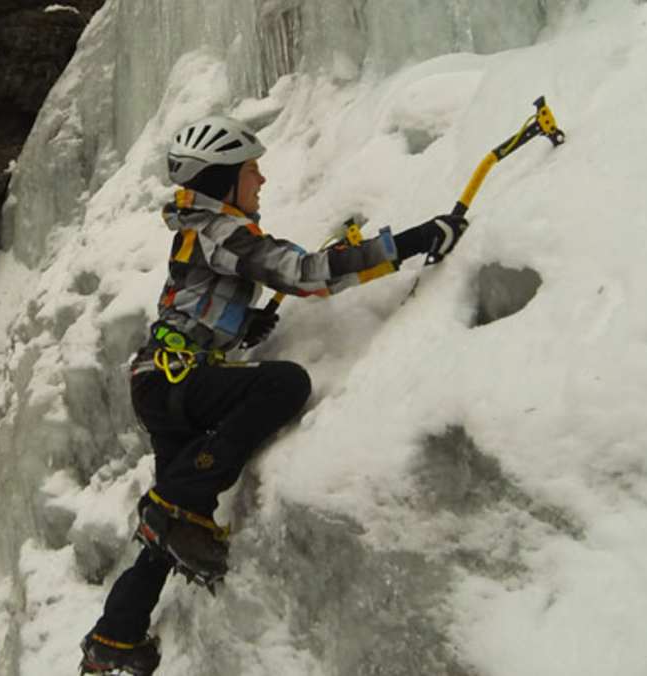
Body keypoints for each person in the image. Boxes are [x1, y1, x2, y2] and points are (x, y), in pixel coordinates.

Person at [78, 115, 468, 675]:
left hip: (162, 379)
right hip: (176, 379)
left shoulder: (197, 231)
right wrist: (411, 241)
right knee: (285, 385)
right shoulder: (223, 231)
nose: (261, 180)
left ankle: (114, 640)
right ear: (221, 181)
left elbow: (193, 303)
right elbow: (308, 273)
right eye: (251, 171)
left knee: (172, 521)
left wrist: (242, 326)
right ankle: (170, 513)